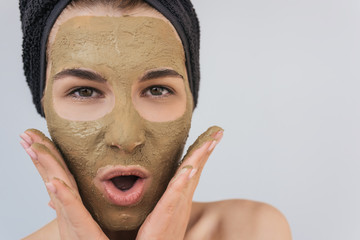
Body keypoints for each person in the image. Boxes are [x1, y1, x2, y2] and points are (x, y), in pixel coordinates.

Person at [19, 0, 292, 239]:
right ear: (43, 103)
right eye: (84, 91)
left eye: (157, 90)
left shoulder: (251, 231)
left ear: (190, 99)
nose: (125, 137)